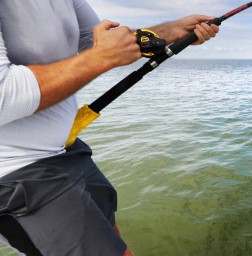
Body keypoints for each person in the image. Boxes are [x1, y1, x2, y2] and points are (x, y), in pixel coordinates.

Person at [0, 0, 219, 255]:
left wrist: (172, 31)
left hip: (66, 150)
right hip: (17, 174)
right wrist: (102, 57)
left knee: (115, 240)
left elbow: (93, 41)